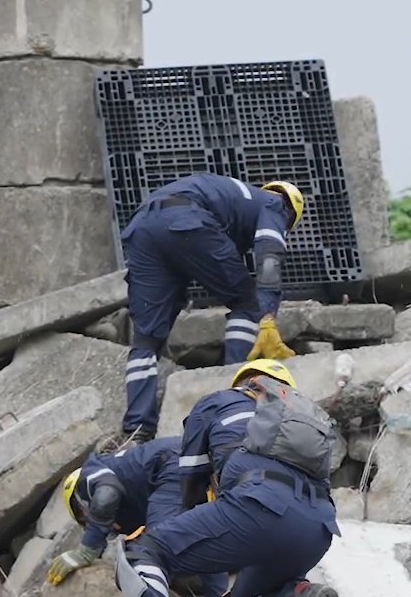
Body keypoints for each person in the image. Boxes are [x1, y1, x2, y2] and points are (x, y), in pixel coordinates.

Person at [115, 372, 340, 597]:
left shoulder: (219, 401)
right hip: (318, 529)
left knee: (142, 550)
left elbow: (191, 480)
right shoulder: (304, 424)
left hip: (258, 506)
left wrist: (182, 533)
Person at [119, 173, 305, 445]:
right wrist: (266, 317)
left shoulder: (234, 198)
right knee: (246, 304)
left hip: (143, 226)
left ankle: (137, 431)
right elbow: (269, 259)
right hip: (186, 218)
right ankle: (234, 394)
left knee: (146, 339)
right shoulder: (275, 204)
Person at [50, 437, 228, 597]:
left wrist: (88, 548)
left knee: (154, 548)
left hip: (173, 464)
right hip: (196, 461)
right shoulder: (136, 500)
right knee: (204, 538)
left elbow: (106, 496)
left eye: (85, 518)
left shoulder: (88, 474)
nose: (90, 521)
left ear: (81, 503)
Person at [176, 358, 296, 509]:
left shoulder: (216, 402)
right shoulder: (299, 416)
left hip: (240, 497)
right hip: (295, 503)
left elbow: (192, 468)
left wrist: (191, 510)